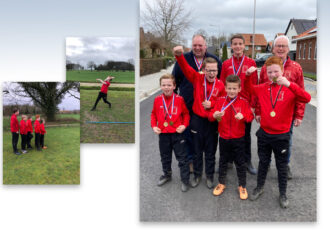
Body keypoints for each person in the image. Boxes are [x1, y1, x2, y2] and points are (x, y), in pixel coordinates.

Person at [245, 56, 311, 208]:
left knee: (281, 167)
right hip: (265, 134)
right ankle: (259, 187)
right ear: (266, 73)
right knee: (263, 163)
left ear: (282, 71)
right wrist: (248, 76)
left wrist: (289, 84)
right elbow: (249, 89)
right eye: (269, 72)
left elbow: (306, 98)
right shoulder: (264, 87)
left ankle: (283, 193)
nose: (273, 75)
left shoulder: (290, 87)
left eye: (276, 71)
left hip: (282, 136)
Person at [173, 45, 225, 189]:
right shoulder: (197, 78)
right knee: (196, 151)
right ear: (203, 69)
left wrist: (212, 104)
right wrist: (179, 56)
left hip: (212, 121)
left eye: (214, 70)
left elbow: (221, 104)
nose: (211, 73)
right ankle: (197, 175)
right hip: (197, 120)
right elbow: (185, 68)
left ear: (217, 70)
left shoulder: (220, 85)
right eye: (208, 70)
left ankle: (209, 176)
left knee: (210, 151)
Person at [257, 35, 305, 179]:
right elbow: (260, 91)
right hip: (268, 113)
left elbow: (301, 93)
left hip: (287, 115)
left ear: (288, 49)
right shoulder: (266, 67)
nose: (281, 49)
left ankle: (285, 164)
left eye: (284, 46)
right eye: (278, 46)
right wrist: (258, 111)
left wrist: (299, 115)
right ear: (273, 49)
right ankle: (265, 164)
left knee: (287, 140)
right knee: (266, 142)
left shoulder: (296, 68)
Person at [209, 75, 254, 200]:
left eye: (234, 89)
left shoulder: (244, 102)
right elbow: (211, 117)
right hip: (223, 137)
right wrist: (214, 114)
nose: (232, 91)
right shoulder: (220, 101)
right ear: (225, 88)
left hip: (238, 138)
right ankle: (221, 183)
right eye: (229, 88)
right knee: (223, 161)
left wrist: (244, 116)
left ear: (239, 89)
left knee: (240, 163)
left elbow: (251, 117)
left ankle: (242, 186)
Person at [220, 34, 258, 175]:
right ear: (231, 46)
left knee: (245, 135)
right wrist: (221, 104)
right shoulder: (226, 64)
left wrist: (253, 105)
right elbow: (222, 84)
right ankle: (229, 160)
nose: (237, 46)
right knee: (228, 133)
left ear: (244, 46)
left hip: (245, 105)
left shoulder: (251, 63)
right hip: (229, 104)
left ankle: (247, 161)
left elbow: (255, 86)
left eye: (240, 44)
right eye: (234, 44)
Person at [150, 74, 190, 192]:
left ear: (174, 86)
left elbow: (186, 114)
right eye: (164, 85)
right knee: (165, 157)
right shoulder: (157, 100)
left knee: (182, 158)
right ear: (160, 86)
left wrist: (184, 125)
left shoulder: (179, 99)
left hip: (177, 134)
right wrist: (154, 126)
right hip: (163, 134)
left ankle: (185, 180)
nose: (166, 87)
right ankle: (167, 174)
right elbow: (153, 114)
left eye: (169, 85)